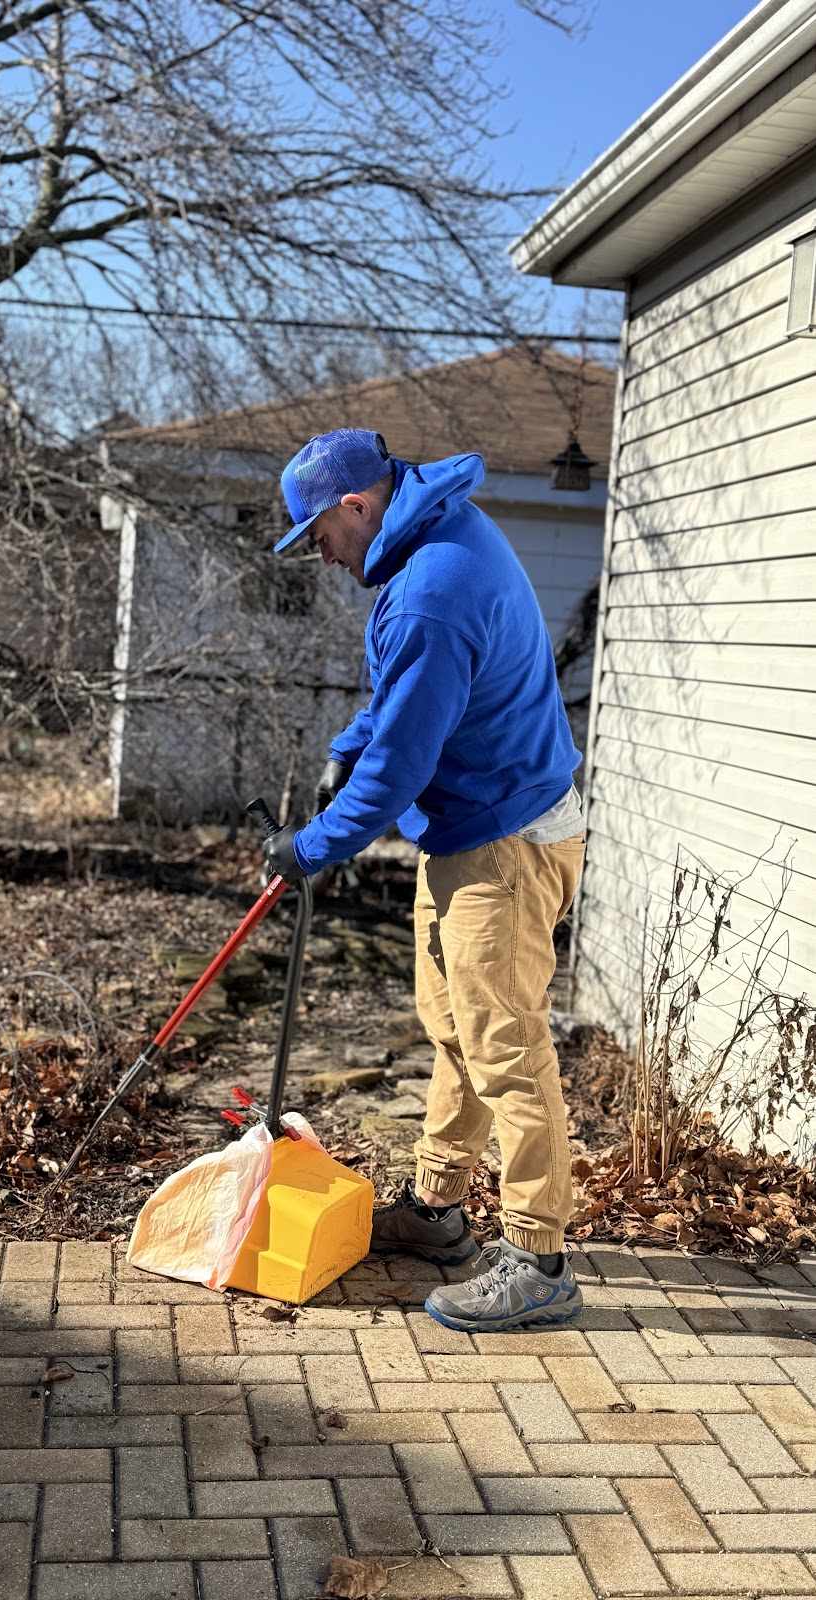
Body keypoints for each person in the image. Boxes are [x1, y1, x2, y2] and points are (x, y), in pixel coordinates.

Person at [263, 428, 586, 1332]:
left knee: (507, 1051)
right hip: (476, 831)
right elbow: (404, 705)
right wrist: (343, 756)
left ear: (356, 506)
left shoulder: (428, 593)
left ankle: (538, 1258)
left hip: (504, 844)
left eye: (318, 534)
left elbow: (403, 765)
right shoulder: (432, 541)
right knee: (456, 1032)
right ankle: (441, 1213)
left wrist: (315, 844)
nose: (320, 556)